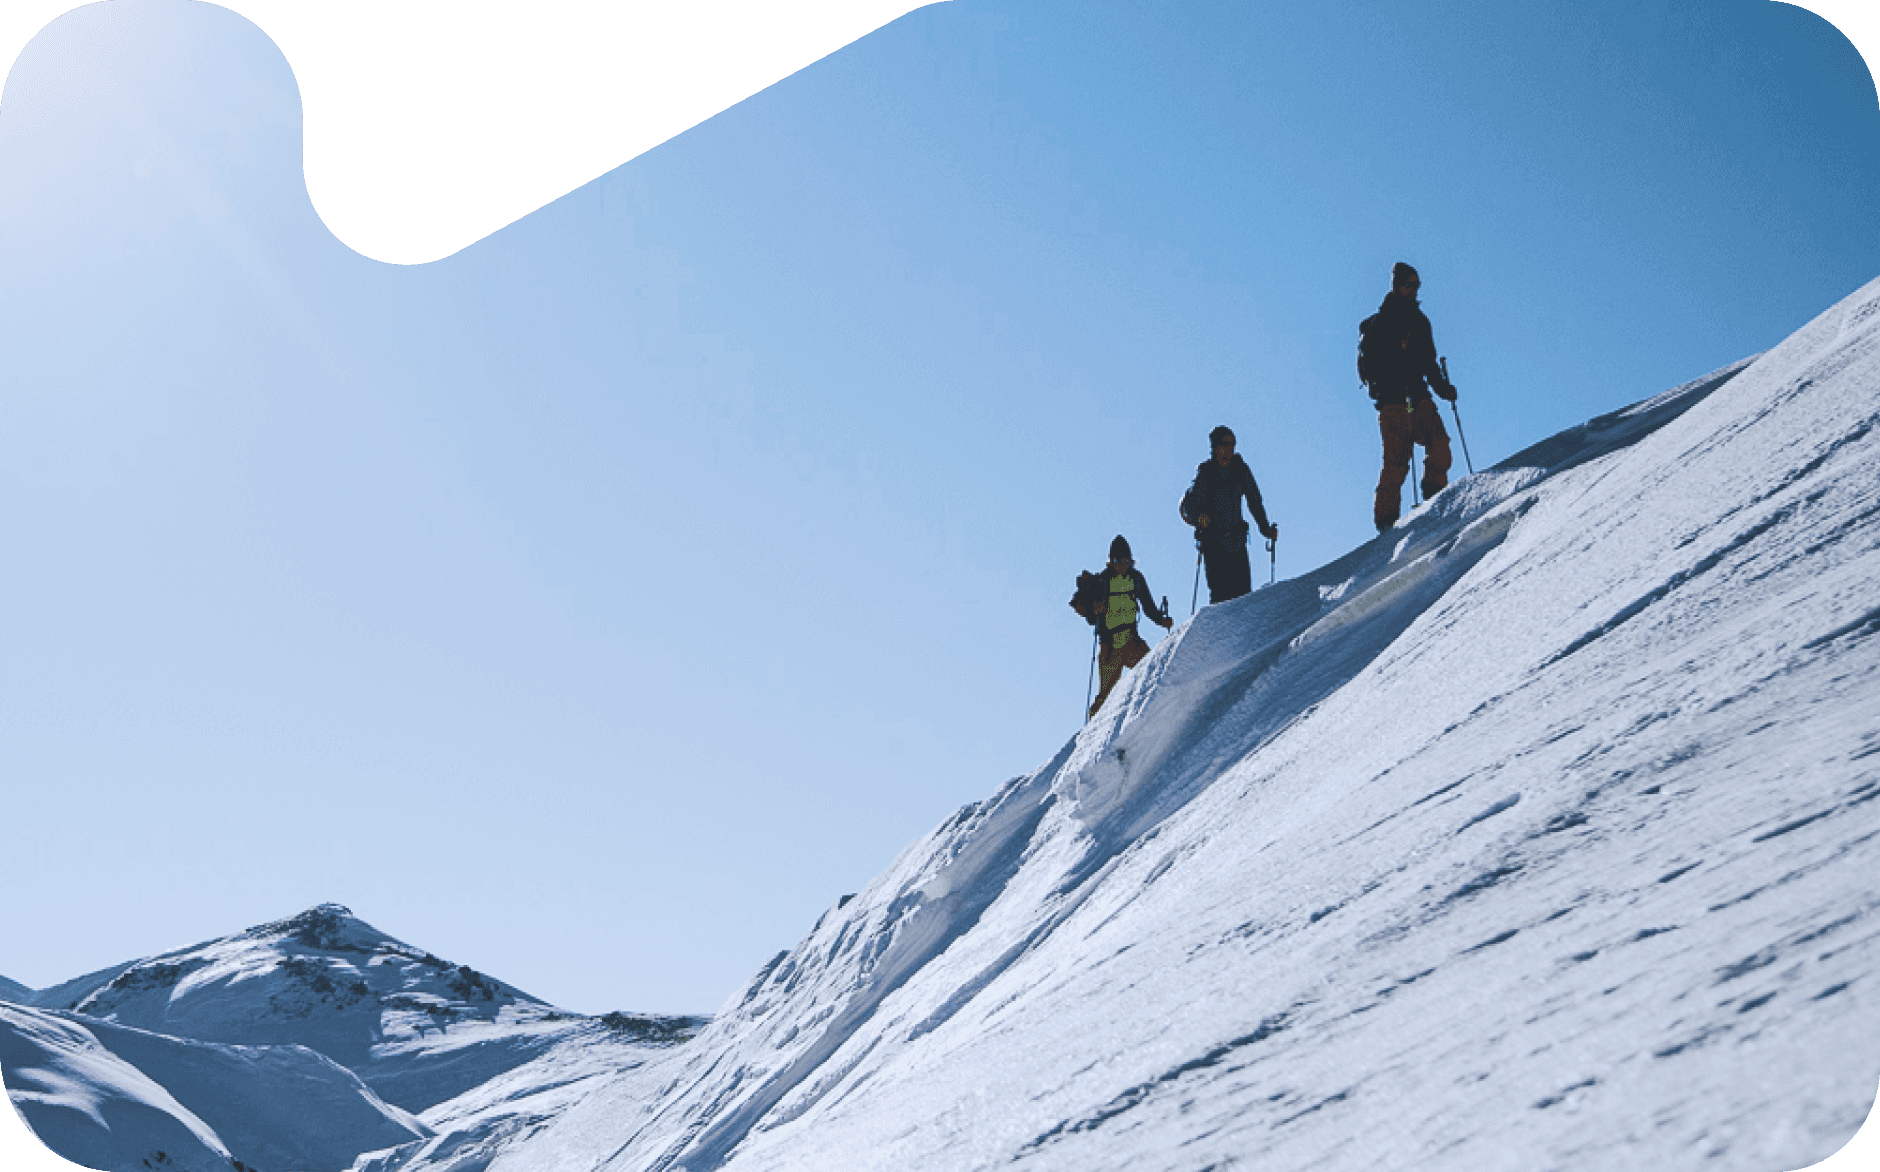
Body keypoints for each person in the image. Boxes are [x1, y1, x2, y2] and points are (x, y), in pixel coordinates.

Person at [1361, 262, 1457, 533]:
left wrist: (1442, 389)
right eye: (1409, 284)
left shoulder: (1420, 321)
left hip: (1418, 395)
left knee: (1440, 443)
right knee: (1397, 462)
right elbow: (1372, 362)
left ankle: (1434, 495)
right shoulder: (1380, 323)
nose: (1413, 290)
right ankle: (1386, 523)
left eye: (1416, 285)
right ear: (1397, 285)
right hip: (1393, 401)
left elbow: (1429, 363)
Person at [1178, 426, 1278, 604]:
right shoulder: (1206, 472)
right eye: (1226, 444)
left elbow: (1255, 501)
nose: (1230, 449)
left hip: (1237, 541)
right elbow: (1190, 504)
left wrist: (1265, 528)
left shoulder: (1241, 469)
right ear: (1215, 447)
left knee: (1243, 596)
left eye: (1232, 444)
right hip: (1213, 543)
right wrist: (1200, 516)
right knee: (1220, 596)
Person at [1086, 535, 1172, 720]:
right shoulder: (1103, 581)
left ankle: (1153, 716)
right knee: (1105, 697)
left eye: (1124, 560)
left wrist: (1161, 620)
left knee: (1154, 671)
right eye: (1117, 560)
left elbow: (1148, 606)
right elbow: (1092, 617)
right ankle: (1090, 736)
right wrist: (1095, 611)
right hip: (1110, 647)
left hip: (1131, 641)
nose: (1121, 564)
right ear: (1111, 561)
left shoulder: (1136, 579)